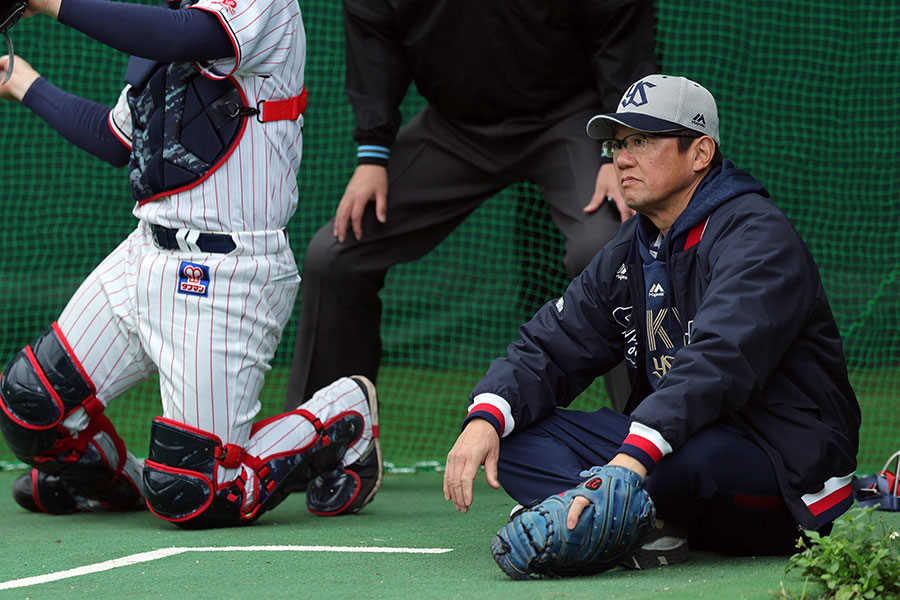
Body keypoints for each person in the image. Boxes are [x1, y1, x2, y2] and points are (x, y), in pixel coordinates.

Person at [443, 74, 861, 569]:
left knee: (681, 461)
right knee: (509, 438)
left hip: (780, 468)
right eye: (618, 144)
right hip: (676, 441)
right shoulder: (631, 246)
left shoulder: (758, 236)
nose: (621, 158)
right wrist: (484, 417)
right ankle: (627, 520)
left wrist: (631, 459)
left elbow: (718, 362)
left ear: (700, 153)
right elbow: (552, 345)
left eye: (642, 140)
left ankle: (603, 512)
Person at [0, 0, 381, 527]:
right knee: (30, 404)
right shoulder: (173, 14)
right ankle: (116, 482)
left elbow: (182, 35)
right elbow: (117, 139)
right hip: (141, 257)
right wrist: (23, 82)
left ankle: (343, 415)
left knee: (196, 491)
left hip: (228, 275)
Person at [285, 0, 657, 507]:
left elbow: (621, 34)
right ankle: (326, 448)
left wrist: (616, 149)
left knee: (605, 249)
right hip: (454, 129)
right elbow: (374, 46)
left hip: (569, 117)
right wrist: (372, 154)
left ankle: (648, 450)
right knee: (335, 254)